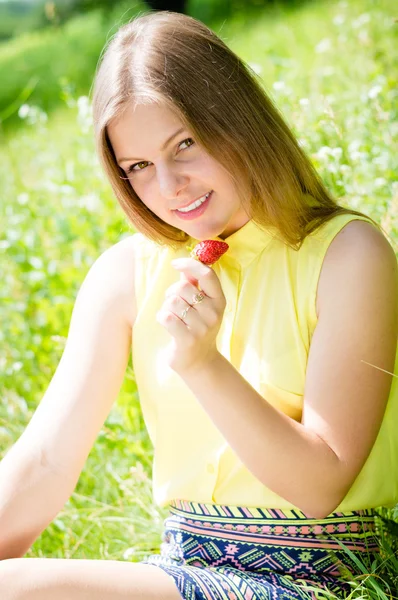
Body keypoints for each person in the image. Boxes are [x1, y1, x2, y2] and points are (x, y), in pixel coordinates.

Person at [0, 9, 397, 600]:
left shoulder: (348, 255)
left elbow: (322, 486)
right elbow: (46, 463)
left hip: (323, 579)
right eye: (138, 167)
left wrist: (202, 364)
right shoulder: (125, 275)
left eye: (184, 143)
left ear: (237, 119)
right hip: (179, 570)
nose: (170, 185)